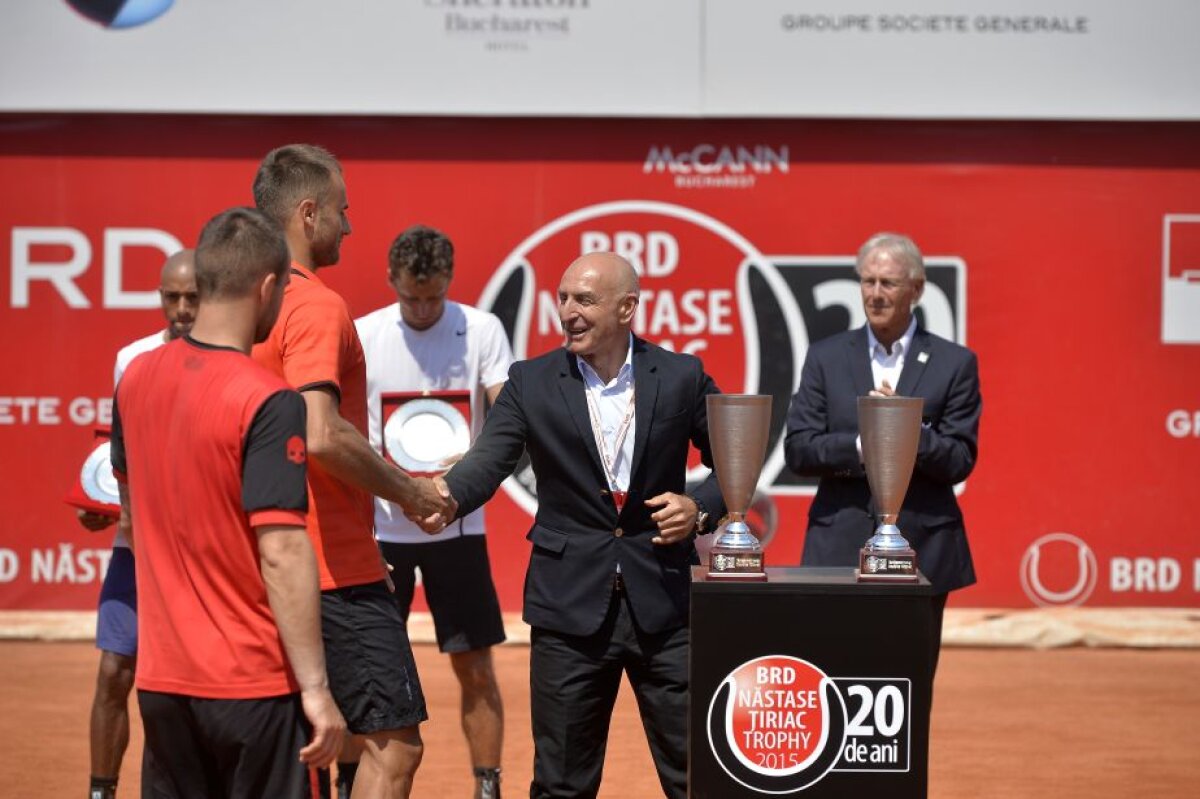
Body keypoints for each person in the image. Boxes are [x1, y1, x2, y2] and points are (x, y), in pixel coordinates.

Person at [432, 251, 725, 799]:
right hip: (568, 611)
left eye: (584, 299)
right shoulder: (531, 381)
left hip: (664, 605)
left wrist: (699, 508)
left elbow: (736, 460)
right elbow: (489, 459)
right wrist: (445, 497)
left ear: (627, 308)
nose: (567, 310)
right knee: (562, 782)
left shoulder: (681, 375)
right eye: (563, 297)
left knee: (698, 775)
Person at [110, 207, 346, 797]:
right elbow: (284, 552)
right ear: (268, 288)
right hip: (255, 684)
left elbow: (132, 514)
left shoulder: (134, 378)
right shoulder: (268, 399)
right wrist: (316, 689)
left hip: (162, 682)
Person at [250, 144, 454, 799]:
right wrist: (410, 490)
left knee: (294, 745)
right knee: (394, 745)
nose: (350, 226)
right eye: (342, 211)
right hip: (332, 565)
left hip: (268, 556)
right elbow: (321, 432)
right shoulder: (313, 303)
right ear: (308, 215)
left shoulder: (243, 304)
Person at [355, 226, 510, 799]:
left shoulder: (482, 330)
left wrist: (459, 479)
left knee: (473, 665)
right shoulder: (364, 334)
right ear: (391, 281)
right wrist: (393, 487)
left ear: (449, 283)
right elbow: (342, 429)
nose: (422, 309)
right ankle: (350, 783)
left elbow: (505, 420)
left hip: (457, 526)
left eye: (434, 297)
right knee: (364, 672)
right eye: (411, 297)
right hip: (379, 531)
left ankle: (487, 785)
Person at [783, 231, 981, 677]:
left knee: (908, 685)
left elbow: (960, 459)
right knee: (831, 678)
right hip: (839, 546)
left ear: (917, 289)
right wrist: (863, 443)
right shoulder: (826, 357)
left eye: (888, 283)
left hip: (921, 547)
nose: (875, 294)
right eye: (867, 282)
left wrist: (905, 430)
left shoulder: (954, 363)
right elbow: (798, 449)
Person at [81, 249, 198, 799]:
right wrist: (99, 503)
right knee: (113, 672)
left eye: (191, 298)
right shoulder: (132, 358)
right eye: (170, 297)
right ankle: (101, 790)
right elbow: (118, 452)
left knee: (185, 689)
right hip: (138, 548)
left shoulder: (239, 357)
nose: (179, 309)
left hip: (202, 552)